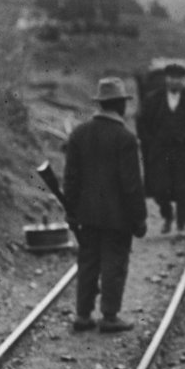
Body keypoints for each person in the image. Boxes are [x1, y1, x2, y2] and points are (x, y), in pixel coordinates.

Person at [62, 76, 148, 333]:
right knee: (114, 263)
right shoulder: (125, 139)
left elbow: (71, 178)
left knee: (87, 262)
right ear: (120, 105)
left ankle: (83, 315)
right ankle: (109, 316)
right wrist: (139, 218)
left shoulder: (79, 134)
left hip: (85, 215)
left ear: (101, 104)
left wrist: (71, 210)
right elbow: (132, 185)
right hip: (117, 217)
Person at [137, 62, 185, 236]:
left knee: (183, 188)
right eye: (171, 78)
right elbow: (142, 123)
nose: (174, 82)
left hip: (183, 150)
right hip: (160, 151)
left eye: (178, 79)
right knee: (159, 188)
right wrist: (149, 142)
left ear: (183, 80)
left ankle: (182, 224)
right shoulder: (153, 100)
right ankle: (167, 215)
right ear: (166, 79)